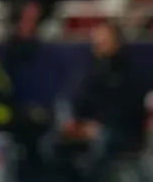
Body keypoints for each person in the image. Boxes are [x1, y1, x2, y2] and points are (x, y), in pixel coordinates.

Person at [42, 22, 147, 181]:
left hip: (120, 130)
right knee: (50, 143)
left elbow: (129, 109)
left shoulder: (130, 73)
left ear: (117, 42)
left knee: (100, 143)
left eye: (104, 40)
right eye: (96, 41)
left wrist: (97, 125)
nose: (99, 45)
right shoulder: (88, 70)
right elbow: (74, 98)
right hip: (86, 127)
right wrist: (72, 122)